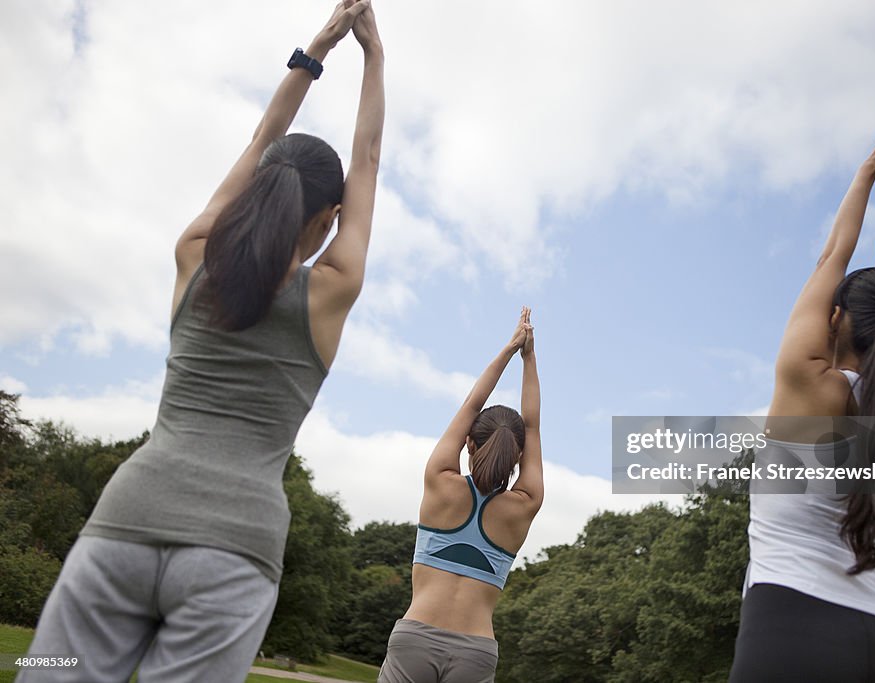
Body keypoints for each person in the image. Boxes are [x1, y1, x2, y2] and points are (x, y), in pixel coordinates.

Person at [19, 3, 384, 682]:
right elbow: (365, 158)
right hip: (233, 555)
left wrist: (318, 49)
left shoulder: (194, 257)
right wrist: (374, 56)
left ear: (255, 191)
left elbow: (258, 142)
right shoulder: (331, 288)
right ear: (329, 219)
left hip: (120, 530)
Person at [729, 105, 875, 682]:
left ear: (836, 317)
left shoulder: (806, 382)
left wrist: (870, 174)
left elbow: (833, 258)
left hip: (790, 623)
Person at [378, 308, 543, 683]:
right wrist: (530, 358)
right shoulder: (525, 505)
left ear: (469, 442)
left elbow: (471, 404)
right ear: (520, 455)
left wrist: (511, 348)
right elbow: (531, 425)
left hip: (415, 638)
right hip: (476, 651)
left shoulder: (441, 481)